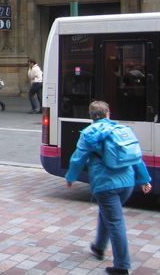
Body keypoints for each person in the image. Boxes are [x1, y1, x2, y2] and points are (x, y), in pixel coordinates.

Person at [66, 101, 152, 275]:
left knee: (115, 221)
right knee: (108, 214)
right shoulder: (123, 130)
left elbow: (78, 159)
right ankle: (99, 246)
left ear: (91, 116)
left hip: (105, 184)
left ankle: (122, 266)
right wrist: (144, 180)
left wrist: (70, 177)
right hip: (127, 183)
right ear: (108, 114)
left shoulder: (89, 133)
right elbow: (136, 156)